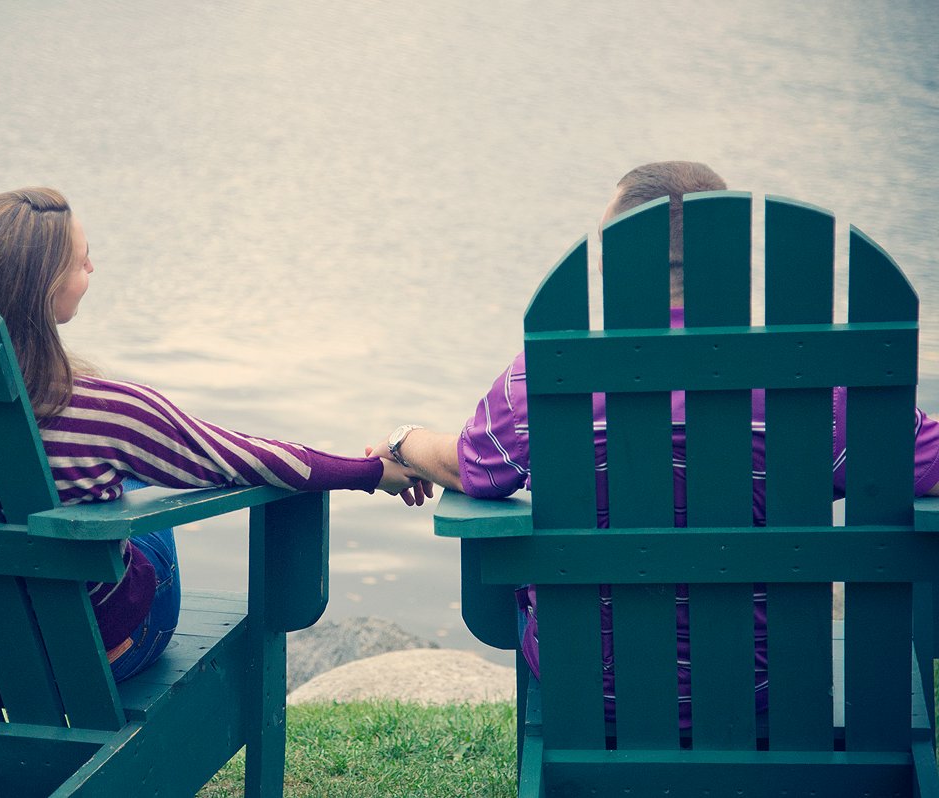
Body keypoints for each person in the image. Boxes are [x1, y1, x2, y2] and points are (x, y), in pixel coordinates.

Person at [370, 160, 939, 729]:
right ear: (733, 256)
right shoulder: (819, 389)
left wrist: (404, 441)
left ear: (616, 257)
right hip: (768, 683)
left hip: (594, 684)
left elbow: (474, 471)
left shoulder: (547, 378)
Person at [0, 187, 427, 681]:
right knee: (133, 491)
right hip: (96, 652)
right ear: (42, 288)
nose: (92, 270)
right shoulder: (104, 411)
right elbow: (246, 459)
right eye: (82, 262)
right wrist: (374, 471)